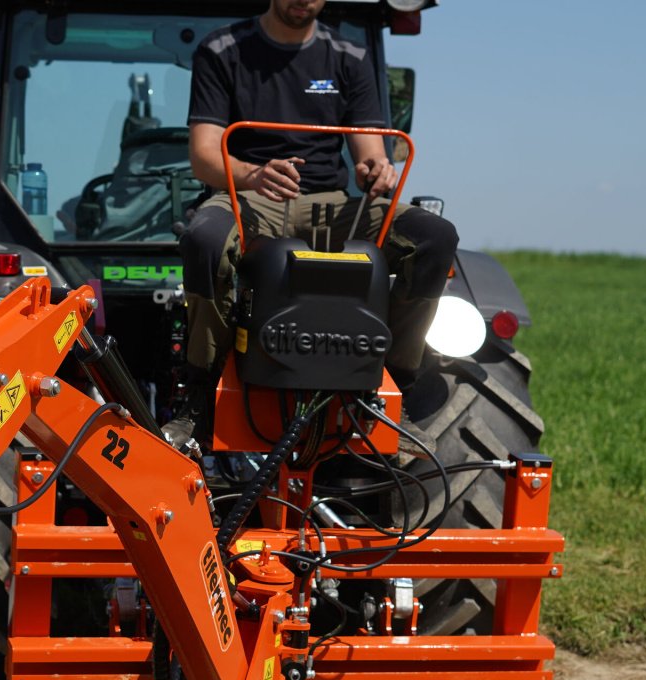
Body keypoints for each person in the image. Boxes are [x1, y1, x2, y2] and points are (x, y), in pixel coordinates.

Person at [168, 0, 459, 444]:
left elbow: (371, 153)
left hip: (333, 203)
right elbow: (205, 155)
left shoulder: (350, 58)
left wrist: (376, 170)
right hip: (251, 193)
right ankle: (199, 393)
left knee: (435, 237)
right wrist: (253, 174)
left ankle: (394, 388)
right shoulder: (222, 50)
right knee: (205, 239)